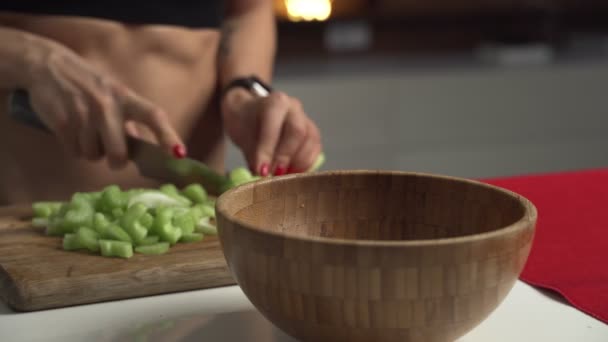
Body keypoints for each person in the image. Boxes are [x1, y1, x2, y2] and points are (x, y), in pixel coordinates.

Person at [0, 1, 323, 205]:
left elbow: (248, 10)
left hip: (196, 236)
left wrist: (244, 89)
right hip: (28, 235)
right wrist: (31, 58)